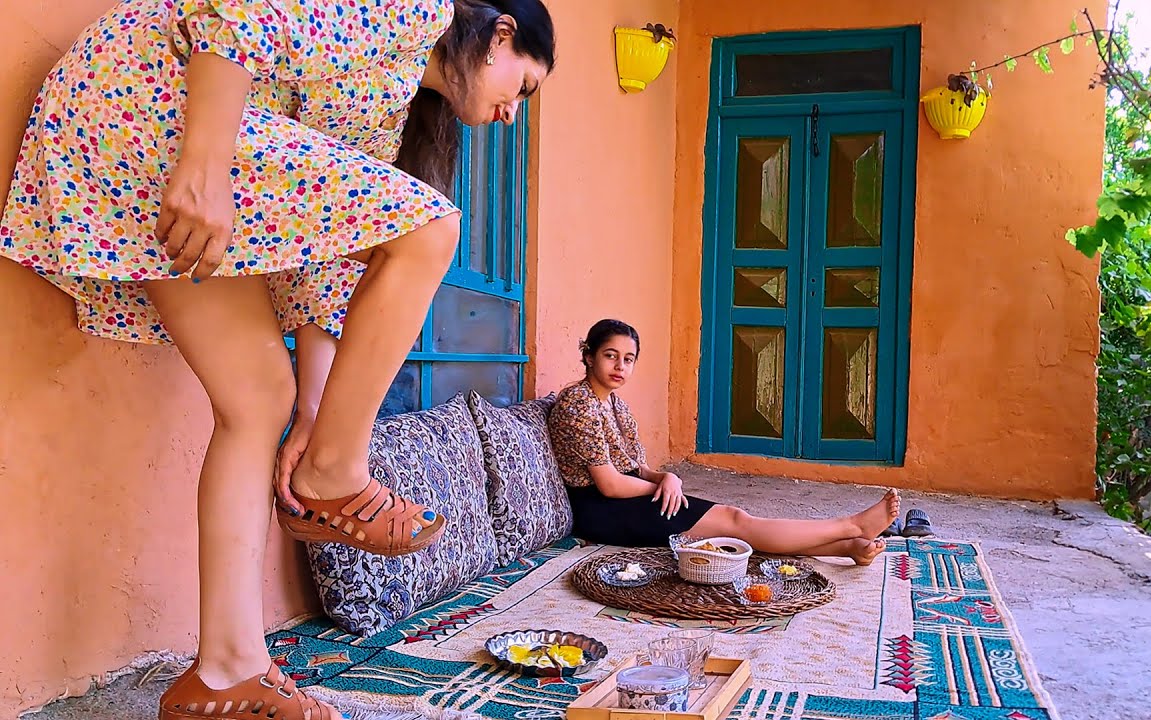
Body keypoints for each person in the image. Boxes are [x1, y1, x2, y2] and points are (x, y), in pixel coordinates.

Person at [0, 1, 554, 717]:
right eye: (524, 85)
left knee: (260, 400)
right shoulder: (412, 10)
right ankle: (337, 472)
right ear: (499, 35)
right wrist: (204, 165)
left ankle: (225, 669)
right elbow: (240, 11)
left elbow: (320, 260)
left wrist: (314, 411)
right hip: (147, 104)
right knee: (432, 228)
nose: (513, 113)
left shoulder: (386, 111)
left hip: (159, 142)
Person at [548, 319, 900, 564]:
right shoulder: (578, 403)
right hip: (602, 510)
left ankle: (846, 548)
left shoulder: (614, 404)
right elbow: (610, 484)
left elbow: (636, 467)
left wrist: (667, 478)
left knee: (731, 529)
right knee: (735, 522)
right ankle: (851, 526)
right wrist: (660, 488)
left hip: (630, 495)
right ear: (589, 356)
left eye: (628, 359)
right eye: (610, 355)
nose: (620, 366)